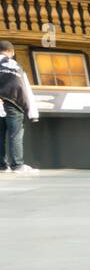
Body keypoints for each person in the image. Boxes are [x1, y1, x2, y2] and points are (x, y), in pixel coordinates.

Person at [0, 41, 40, 175]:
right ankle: (17, 166)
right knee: (15, 135)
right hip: (13, 104)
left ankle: (1, 166)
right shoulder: (17, 66)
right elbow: (25, 89)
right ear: (12, 52)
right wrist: (32, 113)